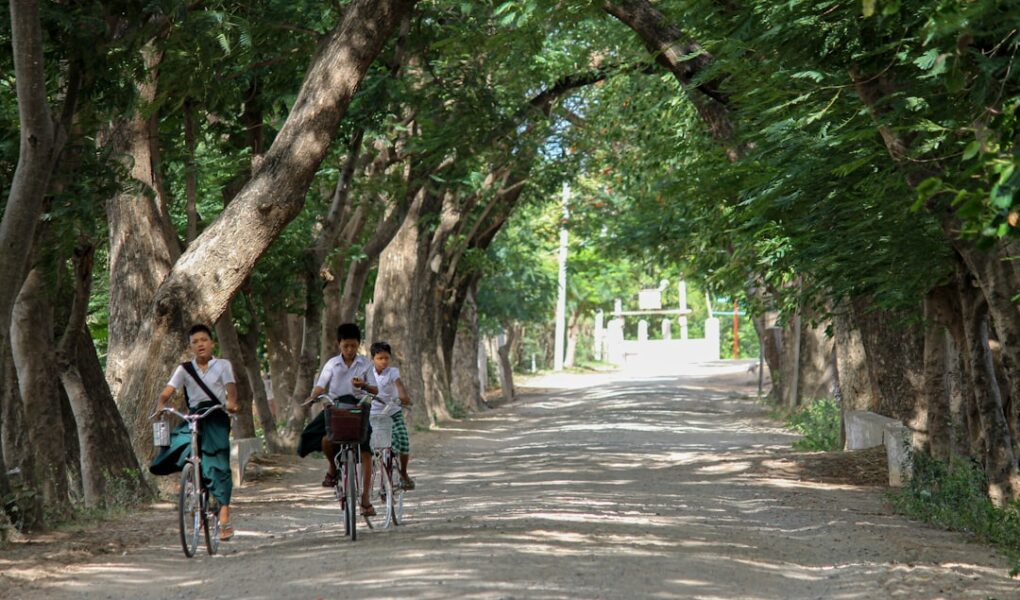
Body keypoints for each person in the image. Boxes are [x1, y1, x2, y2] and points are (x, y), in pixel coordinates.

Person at [150, 324, 240, 541]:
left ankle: (224, 513)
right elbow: (168, 390)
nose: (200, 344)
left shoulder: (223, 365)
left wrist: (231, 404)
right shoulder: (184, 369)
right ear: (190, 347)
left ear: (212, 343)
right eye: (195, 342)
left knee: (218, 460)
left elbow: (231, 391)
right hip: (195, 416)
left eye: (203, 340)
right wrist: (161, 404)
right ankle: (192, 477)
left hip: (216, 414)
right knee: (177, 442)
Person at [297, 323, 379, 515]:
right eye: (345, 346)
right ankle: (333, 468)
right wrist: (313, 397)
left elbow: (375, 390)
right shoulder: (332, 364)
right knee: (324, 438)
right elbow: (320, 386)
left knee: (367, 451)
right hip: (335, 407)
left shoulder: (365, 364)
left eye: (353, 346)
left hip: (359, 408)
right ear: (338, 344)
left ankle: (365, 500)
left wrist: (364, 385)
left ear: (359, 344)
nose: (349, 350)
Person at [368, 341, 415, 490]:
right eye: (380, 358)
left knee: (403, 441)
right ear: (373, 359)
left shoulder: (392, 372)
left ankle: (403, 473)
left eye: (386, 358)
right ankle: (382, 475)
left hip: (393, 412)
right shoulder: (367, 373)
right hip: (374, 415)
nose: (383, 361)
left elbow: (399, 386)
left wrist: (404, 397)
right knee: (381, 444)